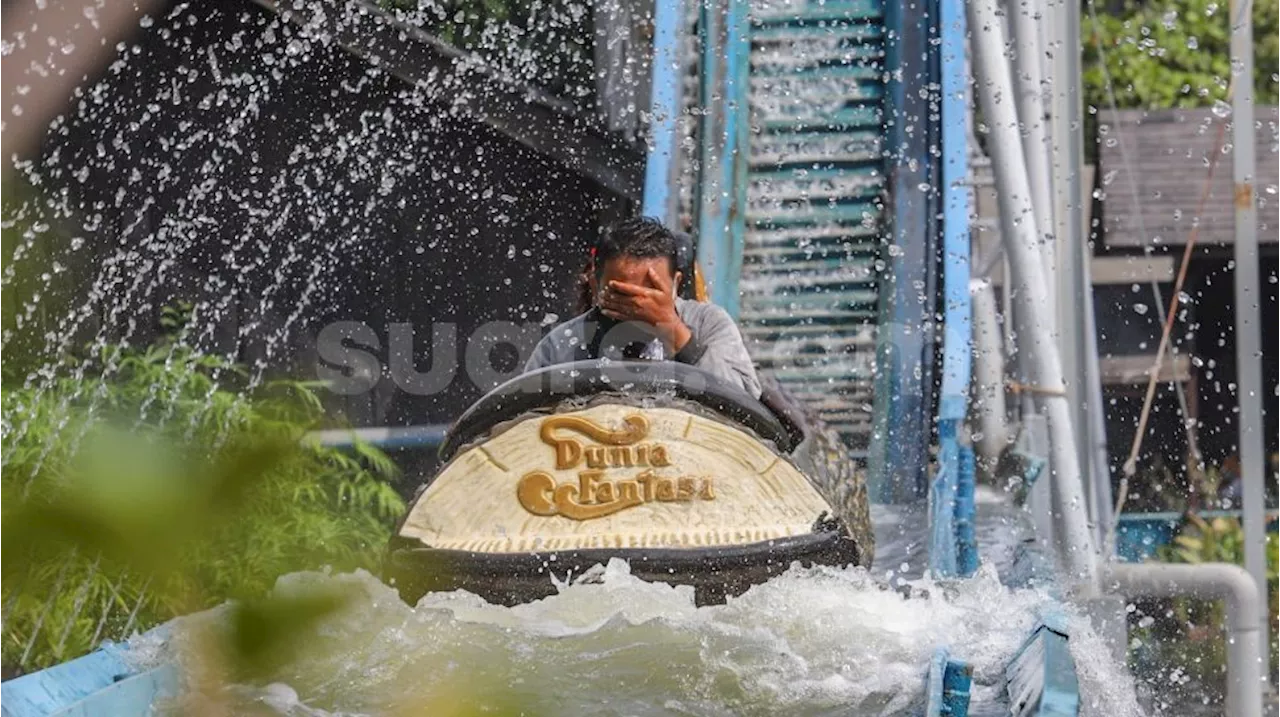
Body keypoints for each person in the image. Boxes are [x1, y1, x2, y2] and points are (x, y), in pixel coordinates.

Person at [526, 217, 762, 398]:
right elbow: (521, 424)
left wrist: (672, 329)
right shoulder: (561, 345)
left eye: (651, 294)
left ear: (676, 284)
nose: (638, 306)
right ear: (595, 286)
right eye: (623, 295)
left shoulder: (707, 324)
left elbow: (744, 401)